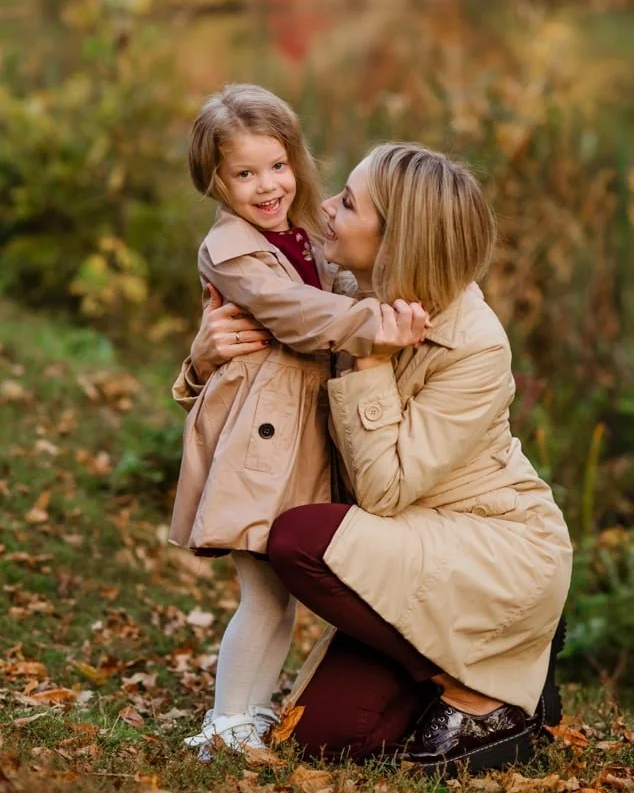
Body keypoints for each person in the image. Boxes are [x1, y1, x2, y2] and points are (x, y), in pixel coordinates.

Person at [186, 141, 573, 775]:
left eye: (348, 202)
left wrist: (368, 360)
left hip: (490, 548)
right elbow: (266, 402)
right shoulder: (341, 292)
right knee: (324, 738)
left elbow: (386, 490)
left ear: (394, 239)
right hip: (404, 549)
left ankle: (490, 687)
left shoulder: (475, 345)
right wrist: (202, 360)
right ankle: (490, 665)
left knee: (298, 539)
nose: (327, 209)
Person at [170, 86, 429, 758]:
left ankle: (247, 715)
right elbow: (295, 313)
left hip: (297, 430)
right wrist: (377, 324)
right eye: (244, 173)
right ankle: (226, 724)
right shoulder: (230, 250)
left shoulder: (304, 227)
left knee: (278, 591)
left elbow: (339, 285)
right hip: (261, 438)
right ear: (214, 179)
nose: (266, 186)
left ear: (296, 159)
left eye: (277, 166)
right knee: (262, 589)